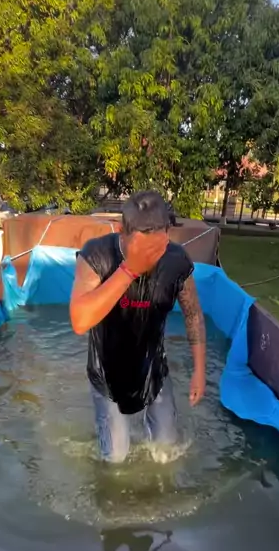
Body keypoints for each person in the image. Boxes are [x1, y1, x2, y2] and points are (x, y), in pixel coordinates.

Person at [69, 189, 206, 463]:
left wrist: (200, 371)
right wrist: (130, 269)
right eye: (143, 248)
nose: (151, 257)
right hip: (106, 372)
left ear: (167, 233)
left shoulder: (177, 262)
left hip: (153, 368)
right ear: (122, 232)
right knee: (116, 458)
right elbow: (80, 322)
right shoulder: (97, 255)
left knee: (166, 451)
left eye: (157, 247)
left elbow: (193, 315)